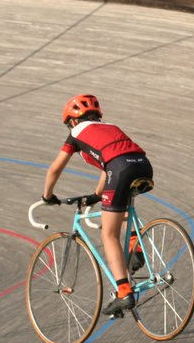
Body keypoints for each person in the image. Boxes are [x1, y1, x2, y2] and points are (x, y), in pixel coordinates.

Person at [42, 94, 153, 316]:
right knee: (119, 208)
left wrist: (48, 196)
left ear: (72, 121)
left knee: (108, 235)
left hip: (120, 169)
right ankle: (135, 247)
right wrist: (96, 195)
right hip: (143, 165)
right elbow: (108, 166)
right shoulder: (109, 127)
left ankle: (124, 292)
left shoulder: (75, 133)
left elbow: (55, 169)